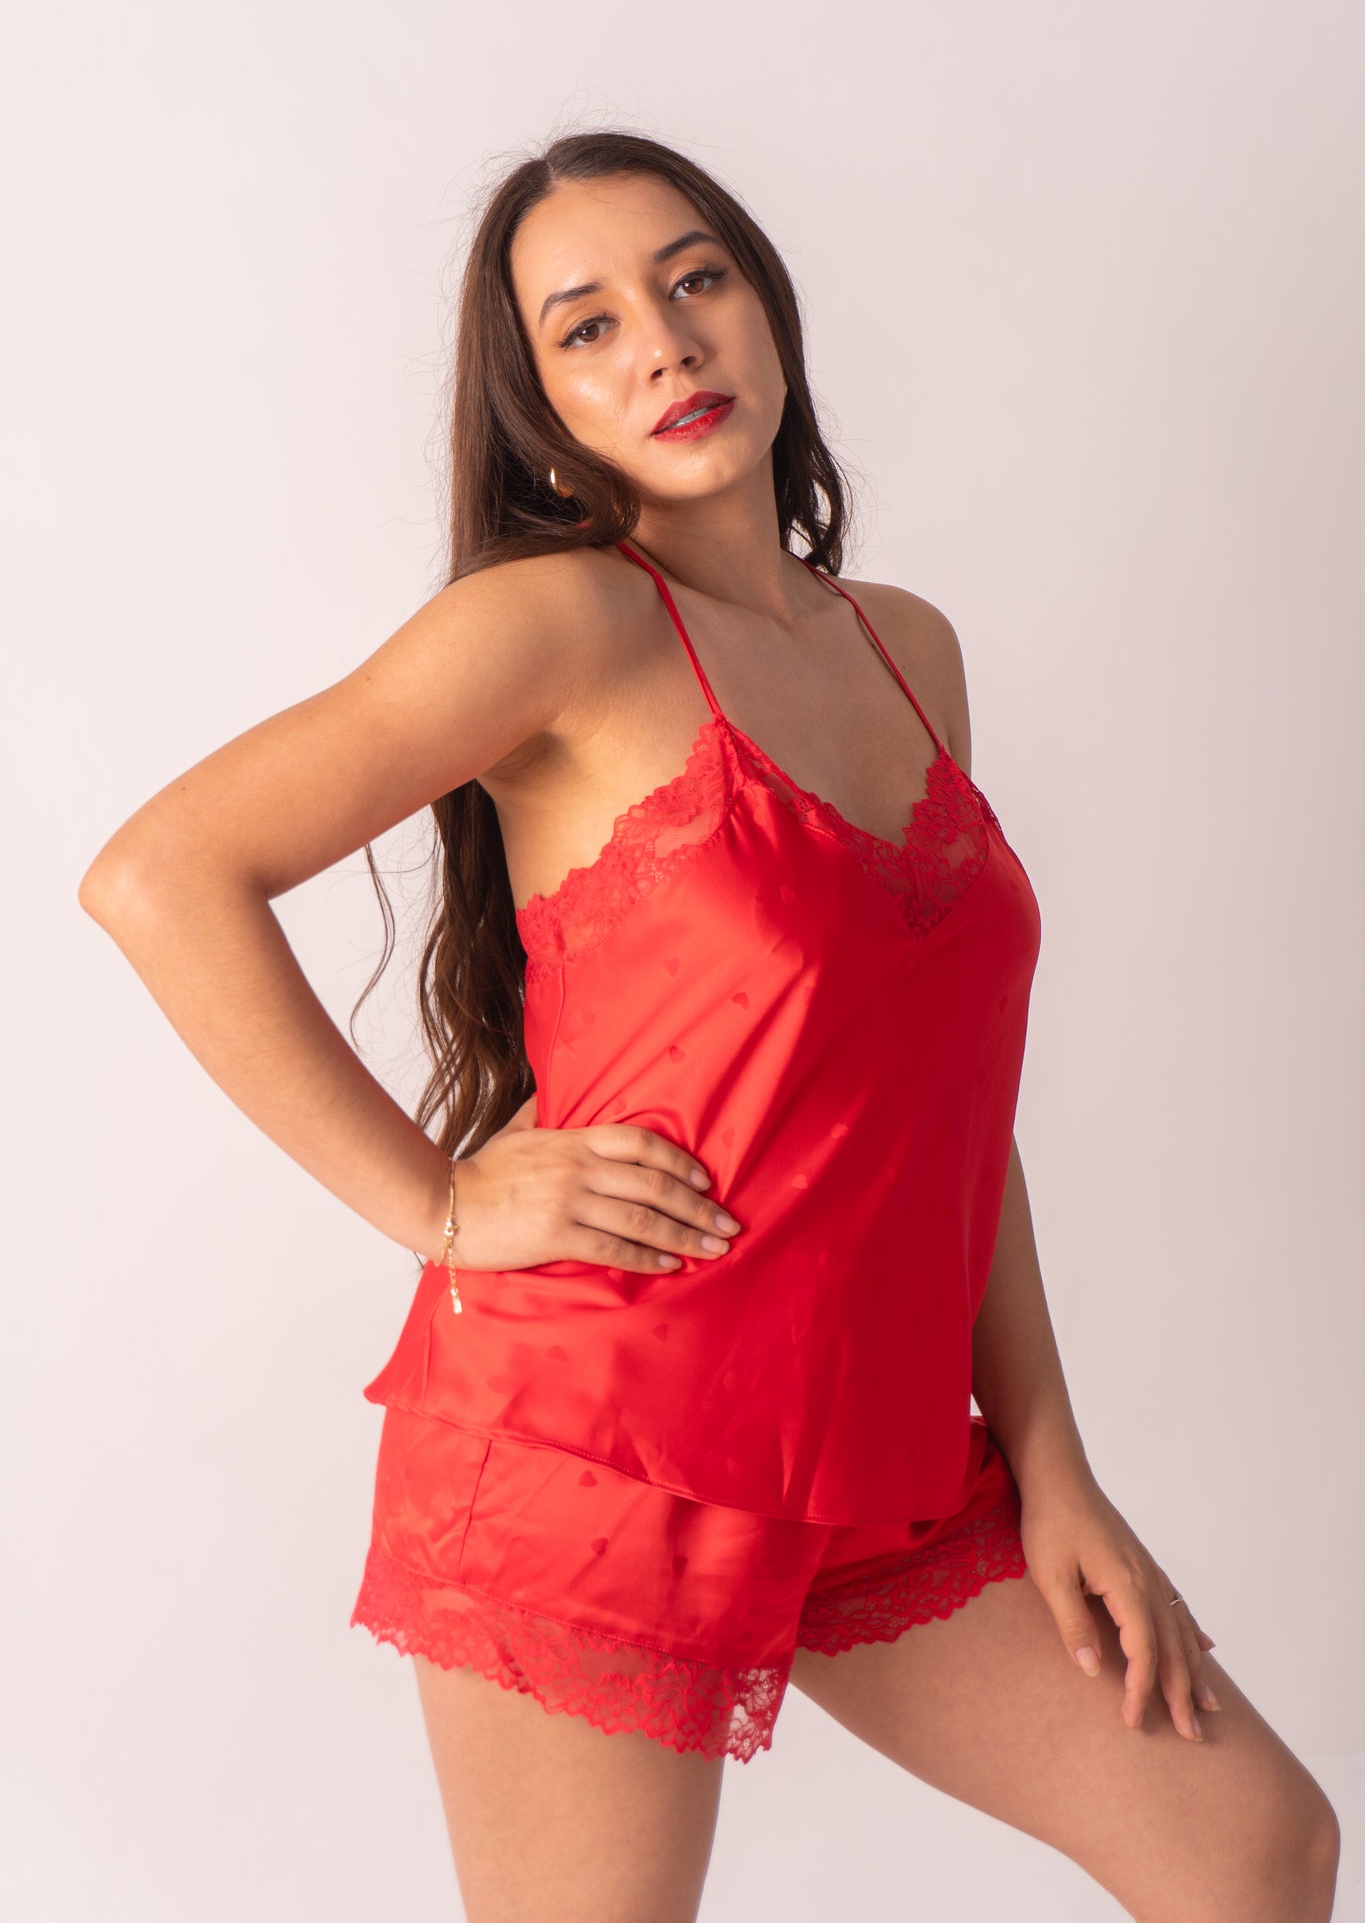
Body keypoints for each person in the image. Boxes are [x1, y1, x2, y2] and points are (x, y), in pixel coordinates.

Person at [79, 130, 1340, 1923]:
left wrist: (1052, 1466)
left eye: (694, 281)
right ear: (540, 411)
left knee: (1253, 1852)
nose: (664, 342)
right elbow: (161, 874)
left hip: (886, 1457)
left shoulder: (906, 646)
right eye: (586, 327)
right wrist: (437, 1202)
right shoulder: (558, 624)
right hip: (598, 1439)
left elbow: (946, 1105)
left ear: (765, 305)